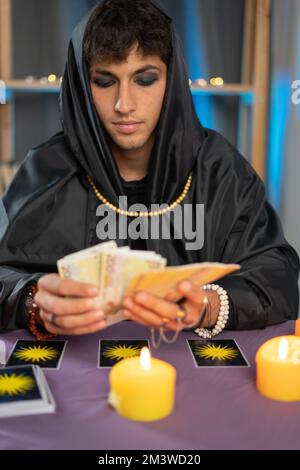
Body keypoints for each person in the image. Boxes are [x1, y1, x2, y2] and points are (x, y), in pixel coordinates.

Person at [0, 0, 299, 339]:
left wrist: (208, 305)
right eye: (104, 81)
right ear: (83, 87)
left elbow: (278, 276)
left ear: (170, 81)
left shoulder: (220, 170)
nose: (123, 104)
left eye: (144, 80)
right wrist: (33, 300)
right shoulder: (45, 171)